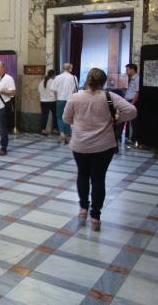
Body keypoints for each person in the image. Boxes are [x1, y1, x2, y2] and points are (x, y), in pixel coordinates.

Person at [63, 68, 136, 231]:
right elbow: (132, 111)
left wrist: (79, 121)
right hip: (104, 146)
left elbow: (66, 118)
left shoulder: (75, 97)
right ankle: (95, 216)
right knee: (98, 179)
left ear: (88, 79)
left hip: (80, 144)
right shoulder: (110, 97)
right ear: (103, 81)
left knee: (82, 174)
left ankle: (83, 208)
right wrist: (117, 118)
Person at [51, 63, 78, 144]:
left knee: (59, 117)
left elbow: (54, 90)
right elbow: (75, 90)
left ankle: (61, 133)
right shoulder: (74, 77)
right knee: (68, 117)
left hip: (60, 99)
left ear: (62, 68)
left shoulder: (57, 77)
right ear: (70, 68)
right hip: (70, 100)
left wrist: (57, 99)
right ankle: (66, 136)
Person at [124, 63, 140, 144]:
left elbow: (137, 92)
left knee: (134, 121)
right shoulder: (132, 78)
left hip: (131, 102)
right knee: (126, 119)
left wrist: (132, 104)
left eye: (127, 70)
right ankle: (126, 137)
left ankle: (134, 139)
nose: (126, 71)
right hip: (128, 101)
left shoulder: (137, 79)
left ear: (133, 69)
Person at [38, 69, 58, 135]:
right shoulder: (53, 81)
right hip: (52, 101)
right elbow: (56, 92)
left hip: (43, 101)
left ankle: (43, 130)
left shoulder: (41, 82)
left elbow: (39, 92)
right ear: (54, 75)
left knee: (44, 116)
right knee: (55, 116)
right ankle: (55, 129)